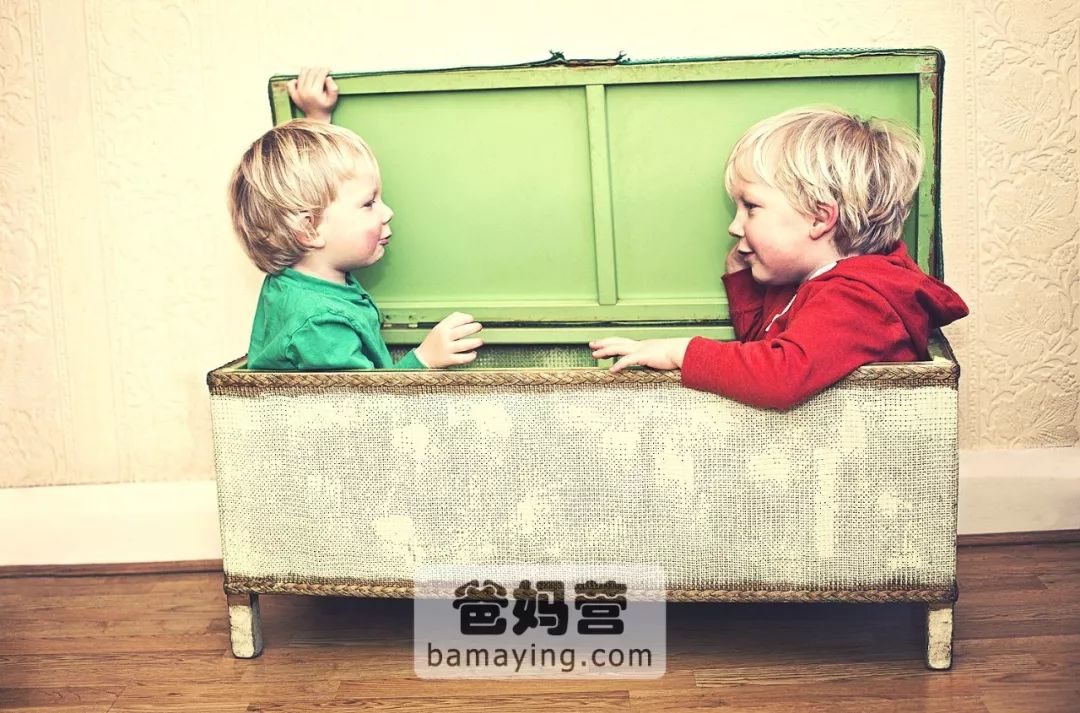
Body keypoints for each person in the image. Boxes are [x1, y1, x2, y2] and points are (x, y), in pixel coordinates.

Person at [590, 107, 968, 409]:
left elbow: (780, 376)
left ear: (819, 218)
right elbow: (763, 347)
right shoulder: (815, 282)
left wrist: (681, 352)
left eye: (750, 207)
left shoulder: (857, 300)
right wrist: (743, 283)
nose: (734, 226)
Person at [227, 69, 482, 370]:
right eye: (369, 203)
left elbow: (316, 187)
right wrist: (423, 360)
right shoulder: (320, 325)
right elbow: (361, 400)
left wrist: (316, 118)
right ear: (308, 230)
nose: (388, 212)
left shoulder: (301, 278)